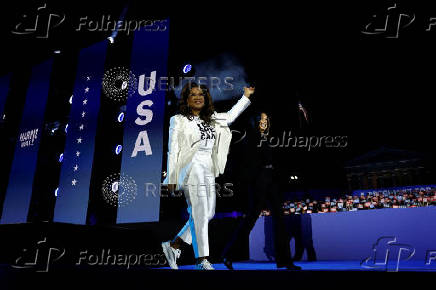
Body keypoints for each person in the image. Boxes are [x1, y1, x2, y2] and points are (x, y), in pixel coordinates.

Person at [161, 82, 254, 270]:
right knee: (200, 212)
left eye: (201, 94)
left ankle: (174, 245)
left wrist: (245, 97)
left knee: (207, 213)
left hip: (208, 168)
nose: (198, 97)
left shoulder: (211, 118)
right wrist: (171, 178)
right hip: (190, 168)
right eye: (193, 94)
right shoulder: (178, 120)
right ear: (186, 99)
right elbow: (173, 150)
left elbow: (230, 116)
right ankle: (202, 259)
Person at [221, 112, 301, 270]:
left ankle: (284, 261)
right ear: (254, 122)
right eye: (261, 119)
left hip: (272, 182)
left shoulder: (270, 138)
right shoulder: (250, 137)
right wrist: (256, 177)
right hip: (258, 182)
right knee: (251, 219)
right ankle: (228, 255)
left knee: (280, 220)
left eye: (266, 119)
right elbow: (246, 161)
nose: (264, 122)